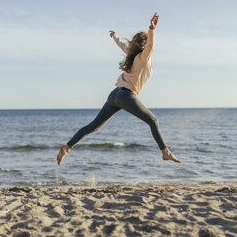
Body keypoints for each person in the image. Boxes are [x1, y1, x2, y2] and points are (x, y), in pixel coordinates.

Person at [57, 13, 182, 165]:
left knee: (93, 126)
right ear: (145, 44)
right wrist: (152, 29)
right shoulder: (143, 57)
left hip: (114, 94)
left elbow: (122, 45)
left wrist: (115, 36)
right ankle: (165, 152)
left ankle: (67, 147)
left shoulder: (132, 55)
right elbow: (150, 45)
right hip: (126, 96)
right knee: (153, 120)